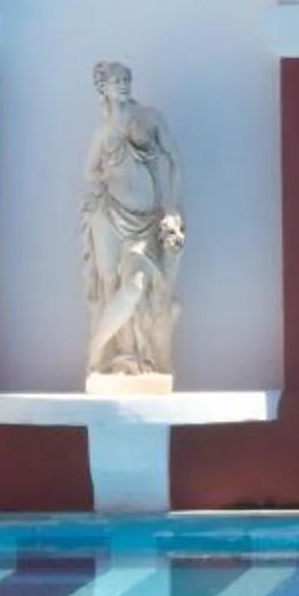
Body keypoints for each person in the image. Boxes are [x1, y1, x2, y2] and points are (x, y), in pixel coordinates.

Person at [82, 61, 184, 385]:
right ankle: (110, 357)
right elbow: (88, 171)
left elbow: (175, 160)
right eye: (115, 81)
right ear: (103, 88)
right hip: (109, 213)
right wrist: (106, 176)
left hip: (145, 220)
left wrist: (173, 205)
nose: (123, 84)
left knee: (136, 284)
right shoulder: (103, 130)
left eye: (126, 79)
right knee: (108, 283)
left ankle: (101, 348)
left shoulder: (149, 118)